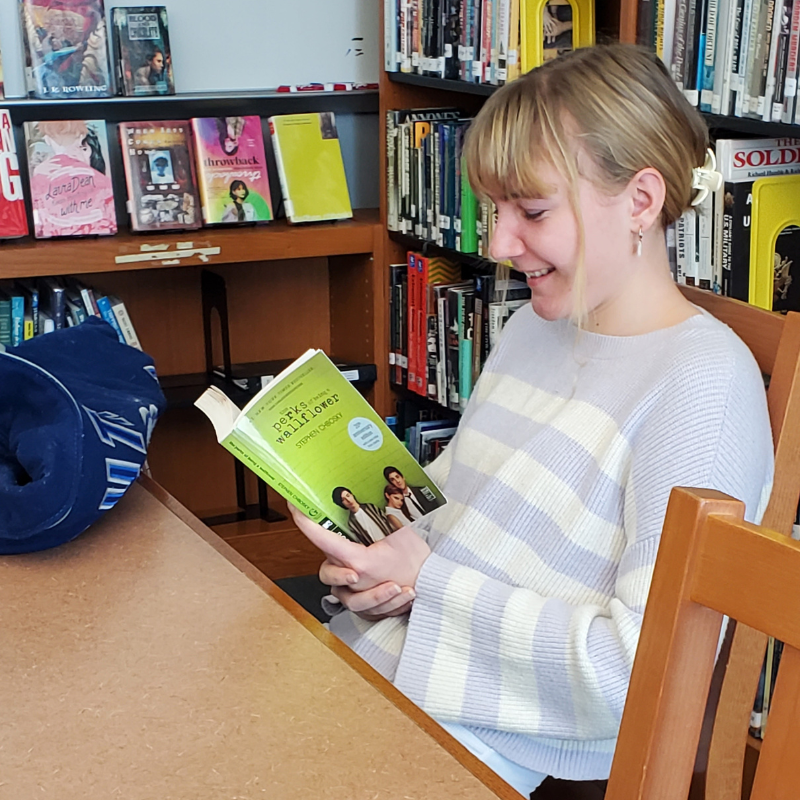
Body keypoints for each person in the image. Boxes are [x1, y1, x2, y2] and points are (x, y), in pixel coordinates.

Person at [290, 44, 773, 797]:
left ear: (642, 202)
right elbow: (452, 516)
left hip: (462, 735)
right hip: (371, 669)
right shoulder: (534, 328)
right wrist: (380, 573)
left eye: (533, 211)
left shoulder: (703, 388)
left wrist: (429, 584)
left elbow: (641, 668)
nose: (496, 245)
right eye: (492, 209)